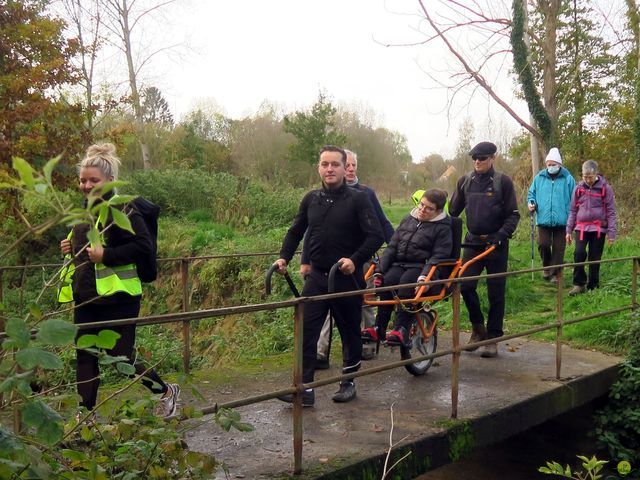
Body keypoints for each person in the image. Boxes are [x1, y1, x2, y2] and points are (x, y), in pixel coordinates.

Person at [59, 143, 180, 418]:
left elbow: (144, 247)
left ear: (110, 181)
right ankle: (85, 418)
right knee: (85, 355)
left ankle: (166, 392)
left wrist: (107, 255)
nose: (87, 186)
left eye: (93, 180)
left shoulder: (124, 209)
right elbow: (84, 248)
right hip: (87, 296)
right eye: (82, 180)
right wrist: (68, 246)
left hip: (120, 298)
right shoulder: (84, 211)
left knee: (122, 357)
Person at [274, 145, 383, 406]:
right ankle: (305, 388)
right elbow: (295, 231)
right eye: (325, 164)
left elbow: (375, 235)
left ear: (345, 168)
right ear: (319, 168)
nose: (330, 169)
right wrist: (284, 257)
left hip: (346, 277)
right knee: (307, 331)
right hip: (318, 277)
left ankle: (348, 381)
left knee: (349, 332)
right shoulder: (311, 199)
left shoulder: (358, 199)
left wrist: (354, 260)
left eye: (335, 164)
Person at [300, 149, 394, 368]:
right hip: (322, 270)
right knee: (319, 314)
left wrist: (395, 249)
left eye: (352, 166)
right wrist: (305, 260)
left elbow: (381, 224)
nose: (349, 169)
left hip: (356, 262)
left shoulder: (364, 194)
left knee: (361, 306)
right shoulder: (316, 198)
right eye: (326, 164)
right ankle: (320, 354)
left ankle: (366, 345)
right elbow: (311, 232)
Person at [448, 141, 520, 358]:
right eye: (475, 159)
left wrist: (501, 235)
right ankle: (478, 328)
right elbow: (453, 212)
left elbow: (514, 214)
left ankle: (493, 337)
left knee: (495, 291)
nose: (477, 162)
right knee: (465, 285)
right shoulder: (465, 181)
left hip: (496, 243)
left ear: (492, 159)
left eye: (482, 158)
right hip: (472, 243)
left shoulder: (502, 182)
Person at [361, 189, 452, 346]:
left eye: (429, 208)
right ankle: (379, 328)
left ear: (437, 211)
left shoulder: (442, 228)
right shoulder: (408, 219)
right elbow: (392, 247)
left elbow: (438, 256)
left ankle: (401, 329)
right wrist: (379, 270)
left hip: (421, 267)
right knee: (387, 283)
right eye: (422, 205)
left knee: (406, 286)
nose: (422, 210)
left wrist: (425, 277)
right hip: (400, 264)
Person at [565, 160, 617, 295]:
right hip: (581, 227)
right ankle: (579, 284)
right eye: (584, 177)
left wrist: (612, 233)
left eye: (590, 177)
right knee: (579, 253)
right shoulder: (578, 189)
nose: (587, 180)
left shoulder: (605, 188)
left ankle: (593, 285)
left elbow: (611, 211)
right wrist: (568, 230)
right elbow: (572, 210)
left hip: (598, 228)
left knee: (594, 257)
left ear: (596, 174)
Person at [527, 147, 576, 282]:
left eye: (553, 164)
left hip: (562, 219)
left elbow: (575, 198)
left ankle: (555, 273)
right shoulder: (539, 178)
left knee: (559, 248)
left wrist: (573, 216)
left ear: (559, 165)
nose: (550, 167)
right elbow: (532, 194)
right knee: (543, 244)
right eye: (548, 164)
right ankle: (547, 267)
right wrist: (531, 203)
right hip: (543, 218)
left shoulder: (568, 178)